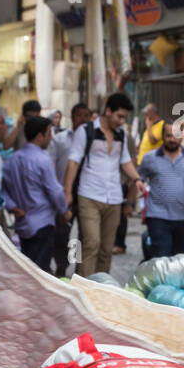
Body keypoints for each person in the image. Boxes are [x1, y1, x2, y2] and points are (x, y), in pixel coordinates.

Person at [64, 93, 142, 276]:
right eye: (119, 116)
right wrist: (67, 192)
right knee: (91, 243)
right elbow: (73, 162)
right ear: (108, 111)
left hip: (114, 197)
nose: (122, 121)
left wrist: (137, 179)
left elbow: (125, 161)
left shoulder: (121, 134)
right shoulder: (85, 131)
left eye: (124, 118)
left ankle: (101, 289)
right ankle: (84, 290)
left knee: (106, 249)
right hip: (89, 195)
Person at [2, 115, 68, 272]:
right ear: (40, 136)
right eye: (49, 133)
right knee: (40, 272)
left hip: (23, 223)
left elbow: (3, 190)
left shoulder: (12, 159)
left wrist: (14, 207)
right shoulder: (43, 160)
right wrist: (64, 211)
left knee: (29, 270)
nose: (51, 138)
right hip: (42, 223)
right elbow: (55, 191)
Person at [137, 121, 184, 258]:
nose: (172, 139)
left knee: (178, 257)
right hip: (157, 215)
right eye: (168, 135)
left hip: (182, 216)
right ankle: (160, 279)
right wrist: (138, 184)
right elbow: (139, 176)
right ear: (163, 136)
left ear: (181, 136)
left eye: (175, 136)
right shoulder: (150, 158)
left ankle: (173, 280)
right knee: (161, 254)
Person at [49, 103, 90, 276]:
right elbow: (51, 164)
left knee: (84, 235)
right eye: (79, 115)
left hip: (86, 193)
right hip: (64, 193)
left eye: (86, 116)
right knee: (62, 234)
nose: (83, 119)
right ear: (72, 117)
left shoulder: (92, 139)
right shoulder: (60, 139)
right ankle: (61, 266)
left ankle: (80, 269)